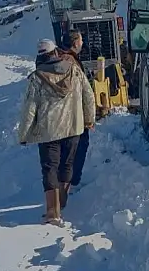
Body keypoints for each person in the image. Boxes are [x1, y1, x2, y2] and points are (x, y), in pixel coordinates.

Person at [18, 38, 95, 226]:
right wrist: (89, 119)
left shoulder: (37, 78)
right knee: (67, 165)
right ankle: (63, 202)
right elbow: (88, 95)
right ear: (55, 52)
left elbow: (29, 108)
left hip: (48, 131)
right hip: (73, 128)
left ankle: (53, 212)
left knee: (50, 168)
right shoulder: (74, 69)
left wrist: (23, 134)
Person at [56, 31, 91, 197]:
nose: (83, 43)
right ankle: (70, 184)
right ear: (75, 43)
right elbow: (83, 91)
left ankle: (64, 182)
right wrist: (88, 117)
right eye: (81, 40)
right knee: (77, 148)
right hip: (72, 113)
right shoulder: (70, 62)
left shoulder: (60, 57)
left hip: (61, 113)